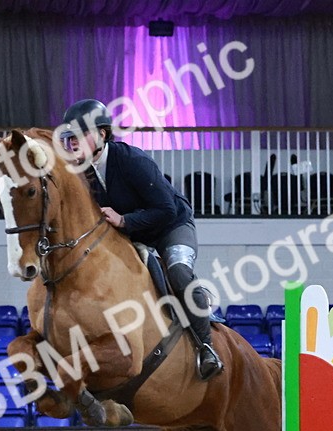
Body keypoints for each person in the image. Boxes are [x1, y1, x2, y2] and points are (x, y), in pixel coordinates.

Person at [58, 98, 224, 381]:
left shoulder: (133, 161)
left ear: (102, 134)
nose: (73, 142)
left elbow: (165, 209)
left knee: (178, 271)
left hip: (171, 226)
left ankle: (206, 346)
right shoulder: (80, 172)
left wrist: (124, 220)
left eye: (81, 134)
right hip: (131, 234)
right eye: (70, 136)